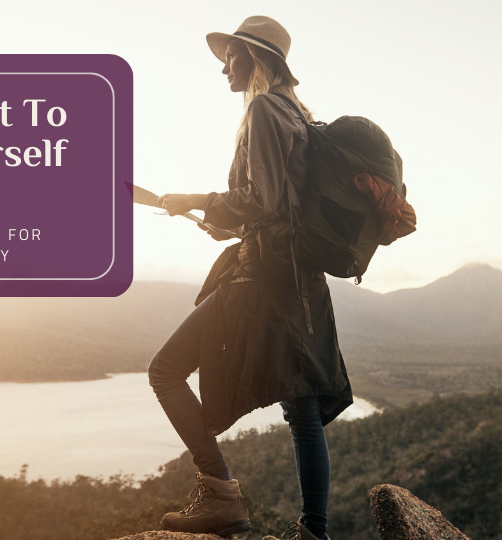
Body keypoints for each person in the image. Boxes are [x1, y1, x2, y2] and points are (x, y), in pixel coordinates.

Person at [148, 15, 353, 540]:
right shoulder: (296, 114)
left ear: (256, 58)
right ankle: (313, 530)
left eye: (230, 57)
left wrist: (196, 200)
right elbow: (277, 206)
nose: (223, 69)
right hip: (298, 280)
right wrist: (214, 218)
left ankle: (219, 492)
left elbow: (264, 201)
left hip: (259, 279)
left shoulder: (263, 110)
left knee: (166, 371)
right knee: (302, 404)